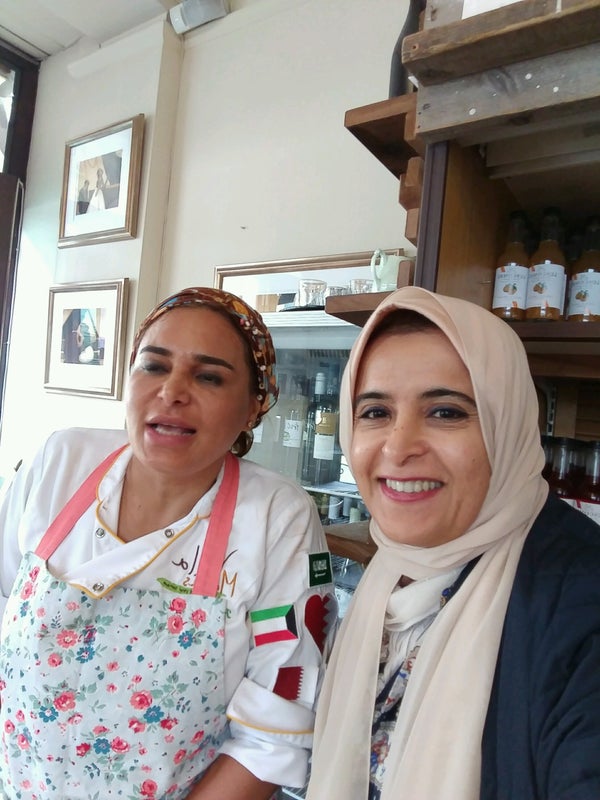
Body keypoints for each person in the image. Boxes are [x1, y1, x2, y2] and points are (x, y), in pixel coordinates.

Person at [0, 287, 336, 799]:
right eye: (154, 366)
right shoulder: (61, 461)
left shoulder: (277, 517)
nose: (172, 391)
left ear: (254, 405)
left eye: (209, 376)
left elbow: (273, 735)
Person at [306, 285, 600, 800]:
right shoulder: (392, 570)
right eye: (375, 412)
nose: (398, 447)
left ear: (508, 425)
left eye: (445, 412)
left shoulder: (581, 604)